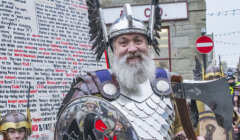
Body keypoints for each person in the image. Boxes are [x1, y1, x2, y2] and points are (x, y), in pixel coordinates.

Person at [56, 2, 205, 140]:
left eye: (138, 40)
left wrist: (182, 135)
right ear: (114, 50)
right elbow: (68, 130)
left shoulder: (168, 82)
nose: (132, 48)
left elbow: (180, 126)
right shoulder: (91, 87)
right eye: (123, 42)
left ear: (147, 45)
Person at [195, 66, 229, 139]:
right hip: (204, 133)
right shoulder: (200, 98)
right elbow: (197, 120)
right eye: (210, 78)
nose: (214, 80)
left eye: (217, 77)